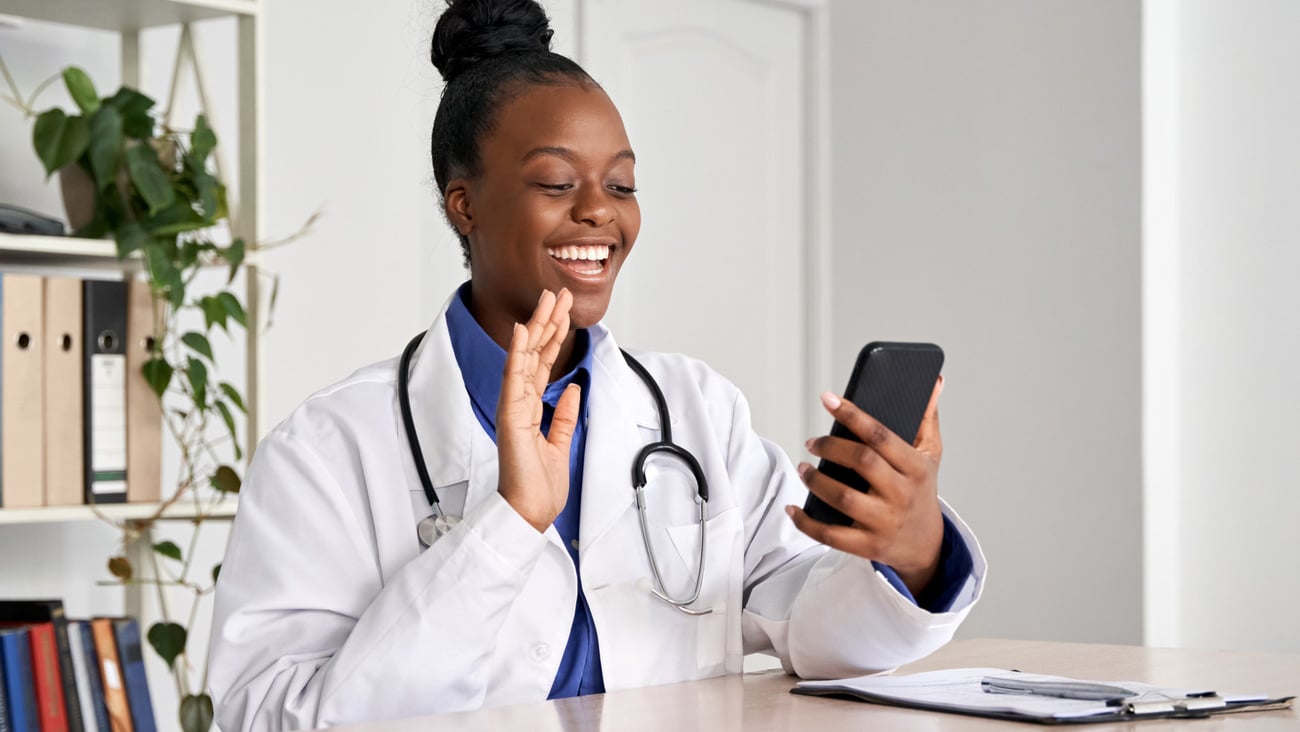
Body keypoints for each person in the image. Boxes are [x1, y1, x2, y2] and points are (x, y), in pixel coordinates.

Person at [208, 1, 986, 729]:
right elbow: (267, 715)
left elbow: (809, 628)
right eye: (556, 182)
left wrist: (911, 550)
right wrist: (508, 525)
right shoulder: (326, 450)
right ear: (463, 205)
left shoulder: (698, 410)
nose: (600, 211)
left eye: (621, 184)